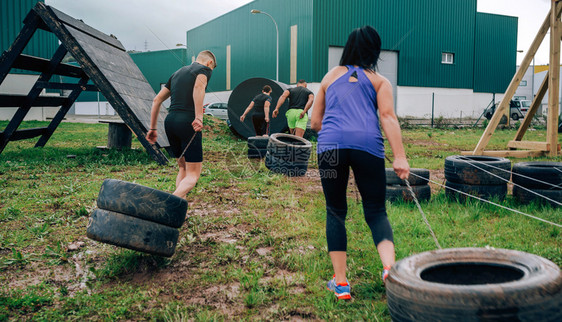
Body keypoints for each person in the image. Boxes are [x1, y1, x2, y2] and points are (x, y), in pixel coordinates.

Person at [310, 26, 410, 300]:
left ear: (347, 47)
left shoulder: (329, 77)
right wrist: (399, 156)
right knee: (376, 210)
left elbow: (315, 122)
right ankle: (389, 269)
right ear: (374, 51)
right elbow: (388, 117)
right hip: (369, 147)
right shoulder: (380, 82)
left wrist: (334, 134)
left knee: (335, 210)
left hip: (330, 147)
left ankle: (341, 283)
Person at [146, 50, 216, 198]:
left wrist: (152, 128)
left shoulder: (177, 73)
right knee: (193, 175)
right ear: (210, 63)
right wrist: (199, 117)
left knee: (183, 168)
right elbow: (198, 88)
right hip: (188, 123)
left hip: (170, 122)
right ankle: (170, 203)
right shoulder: (204, 70)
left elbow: (157, 100)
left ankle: (179, 210)